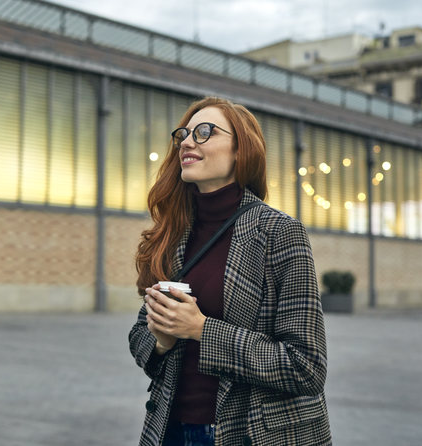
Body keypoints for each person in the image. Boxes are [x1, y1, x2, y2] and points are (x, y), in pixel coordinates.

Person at [128, 97, 331, 446]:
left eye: (205, 132)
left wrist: (201, 329)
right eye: (184, 134)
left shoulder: (279, 233)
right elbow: (139, 334)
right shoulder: (174, 231)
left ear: (241, 150)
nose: (188, 141)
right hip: (170, 430)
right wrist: (160, 341)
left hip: (250, 434)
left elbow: (306, 366)